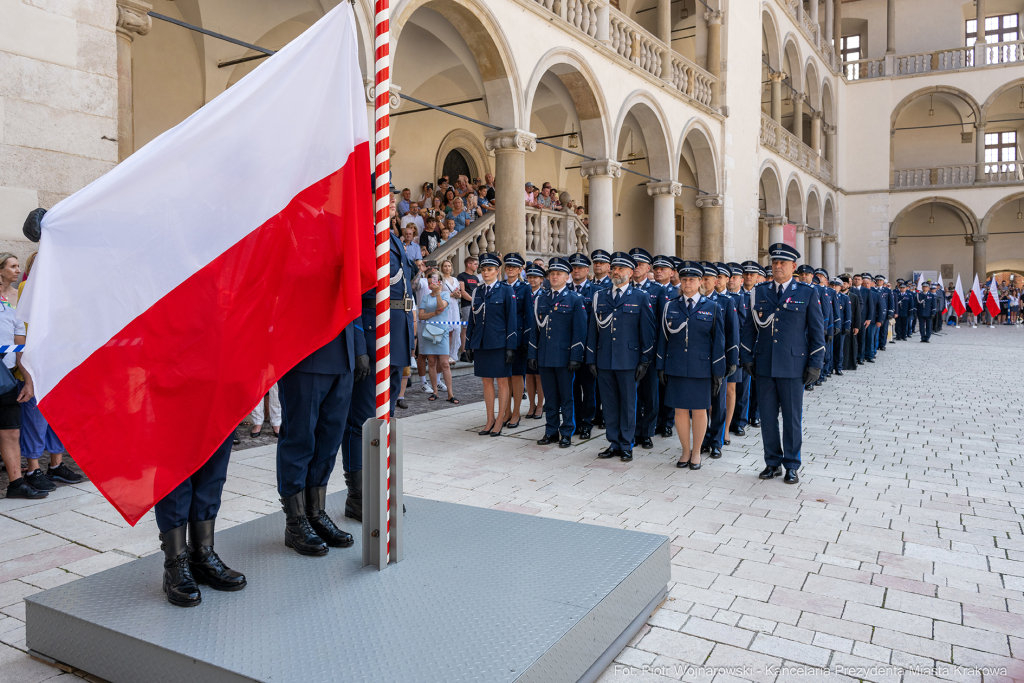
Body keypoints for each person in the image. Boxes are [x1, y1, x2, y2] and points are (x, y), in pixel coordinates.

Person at [740, 243, 825, 485]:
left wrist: (815, 363)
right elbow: (749, 329)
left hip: (792, 365)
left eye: (783, 263)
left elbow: (817, 332)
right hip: (764, 364)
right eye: (775, 263)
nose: (777, 266)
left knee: (791, 417)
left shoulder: (807, 292)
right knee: (767, 416)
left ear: (793, 267)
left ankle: (791, 464)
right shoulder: (760, 291)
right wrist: (746, 357)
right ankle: (772, 462)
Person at [586, 252, 656, 462]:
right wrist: (591, 358)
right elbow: (592, 331)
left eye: (621, 269)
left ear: (630, 272)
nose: (616, 272)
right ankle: (613, 442)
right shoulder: (601, 296)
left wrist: (645, 359)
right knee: (609, 403)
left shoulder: (640, 297)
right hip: (605, 359)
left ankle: (626, 444)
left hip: (628, 360)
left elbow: (647, 331)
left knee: (628, 404)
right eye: (614, 268)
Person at [657, 261, 726, 470]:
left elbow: (719, 342)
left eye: (692, 279)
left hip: (701, 368)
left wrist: (718, 372)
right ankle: (685, 451)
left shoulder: (712, 307)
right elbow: (663, 339)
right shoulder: (671, 305)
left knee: (699, 410)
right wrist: (660, 365)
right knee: (680, 410)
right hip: (676, 365)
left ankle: (696, 452)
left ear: (700, 283)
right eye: (685, 279)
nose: (687, 283)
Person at [529, 257, 587, 448]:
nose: (554, 277)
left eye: (559, 274)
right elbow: (534, 329)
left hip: (565, 358)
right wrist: (533, 354)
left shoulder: (574, 299)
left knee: (566, 397)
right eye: (552, 273)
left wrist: (576, 357)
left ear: (567, 277)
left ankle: (567, 432)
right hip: (545, 356)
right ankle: (551, 431)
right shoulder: (541, 299)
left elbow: (579, 331)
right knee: (551, 397)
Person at [466, 253, 518, 437]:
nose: (486, 272)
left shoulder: (506, 290)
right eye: (483, 269)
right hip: (481, 343)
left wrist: (511, 346)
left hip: (499, 343)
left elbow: (512, 320)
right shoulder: (477, 291)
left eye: (489, 269)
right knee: (486, 381)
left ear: (497, 271)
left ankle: (500, 420)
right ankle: (489, 419)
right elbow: (472, 319)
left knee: (502, 382)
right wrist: (468, 344)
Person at [700, 262, 738, 458]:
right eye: (702, 278)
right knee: (701, 402)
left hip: (718, 360)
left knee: (718, 402)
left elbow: (733, 333)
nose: (704, 282)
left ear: (716, 281)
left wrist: (732, 360)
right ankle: (703, 438)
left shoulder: (726, 302)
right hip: (698, 360)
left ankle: (716, 441)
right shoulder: (694, 300)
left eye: (707, 279)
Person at [629, 248, 664, 451]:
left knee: (650, 394)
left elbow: (660, 323)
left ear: (648, 268)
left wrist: (656, 352)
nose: (636, 267)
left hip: (649, 349)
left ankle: (647, 431)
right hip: (629, 350)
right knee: (631, 393)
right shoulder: (625, 287)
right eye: (633, 264)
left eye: (640, 264)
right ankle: (633, 430)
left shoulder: (657, 290)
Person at [568, 253, 598, 439]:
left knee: (588, 389)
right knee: (571, 388)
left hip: (587, 349)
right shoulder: (564, 290)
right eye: (574, 267)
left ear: (587, 270)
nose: (576, 270)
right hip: (569, 349)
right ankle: (574, 422)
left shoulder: (596, 292)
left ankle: (587, 423)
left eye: (580, 267)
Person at [418, 267, 458, 404]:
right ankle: (435, 391)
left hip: (442, 331)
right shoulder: (425, 297)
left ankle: (450, 393)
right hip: (429, 331)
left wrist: (438, 293)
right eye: (429, 283)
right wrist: (433, 314)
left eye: (433, 282)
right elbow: (421, 315)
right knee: (432, 362)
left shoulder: (446, 295)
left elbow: (441, 307)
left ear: (439, 282)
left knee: (445, 363)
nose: (431, 285)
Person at [500, 253, 530, 429]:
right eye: (508, 266)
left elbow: (527, 315)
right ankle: (506, 411)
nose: (510, 269)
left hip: (518, 338)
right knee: (504, 376)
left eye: (514, 267)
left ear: (520, 270)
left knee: (517, 376)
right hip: (502, 337)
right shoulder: (501, 286)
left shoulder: (524, 288)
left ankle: (516, 412)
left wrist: (526, 339)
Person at [523, 263, 546, 419]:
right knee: (528, 375)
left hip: (539, 339)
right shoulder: (524, 293)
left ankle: (540, 405)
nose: (532, 280)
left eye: (535, 277)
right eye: (530, 277)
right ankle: (531, 405)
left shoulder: (544, 295)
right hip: (525, 338)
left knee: (539, 375)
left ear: (541, 279)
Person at [439, 259, 462, 364]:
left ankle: (452, 354)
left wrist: (458, 295)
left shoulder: (455, 279)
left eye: (449, 266)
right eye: (445, 266)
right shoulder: (440, 279)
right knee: (446, 331)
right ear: (442, 267)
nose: (447, 268)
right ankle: (445, 354)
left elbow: (459, 293)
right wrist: (452, 295)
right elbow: (437, 293)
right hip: (445, 305)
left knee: (454, 331)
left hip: (454, 306)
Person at [457, 256, 480, 359]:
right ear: (468, 264)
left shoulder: (475, 278)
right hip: (467, 305)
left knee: (475, 328)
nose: (477, 266)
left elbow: (479, 290)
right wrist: (473, 300)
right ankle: (464, 351)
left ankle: (473, 350)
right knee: (466, 328)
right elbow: (462, 291)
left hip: (476, 305)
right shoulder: (462, 276)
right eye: (475, 264)